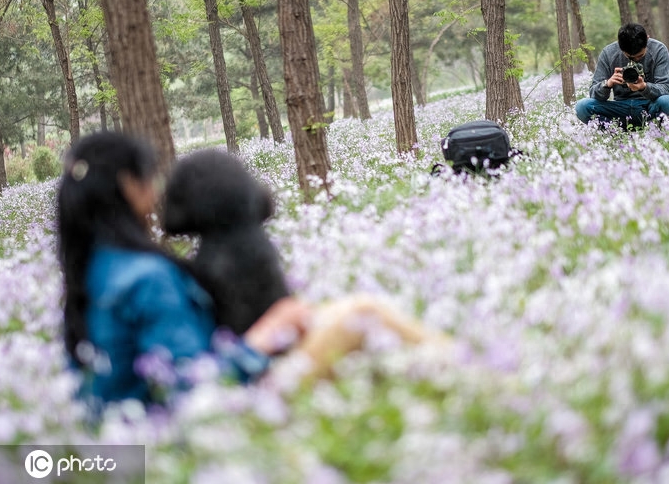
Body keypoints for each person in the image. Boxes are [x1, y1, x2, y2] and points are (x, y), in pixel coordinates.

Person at [57, 132, 445, 413]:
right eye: (149, 176)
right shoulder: (146, 276)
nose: (156, 189)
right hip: (201, 429)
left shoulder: (92, 270)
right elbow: (194, 392)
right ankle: (471, 377)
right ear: (128, 184)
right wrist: (261, 339)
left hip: (126, 443)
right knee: (362, 314)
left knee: (341, 326)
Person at [575, 23, 669, 128]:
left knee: (668, 102)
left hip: (650, 106)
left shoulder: (658, 50)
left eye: (640, 56)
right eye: (630, 57)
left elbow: (665, 89)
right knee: (582, 107)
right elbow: (593, 93)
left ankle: (655, 132)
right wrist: (607, 84)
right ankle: (614, 133)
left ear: (647, 38)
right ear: (620, 46)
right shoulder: (608, 53)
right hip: (621, 108)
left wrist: (644, 87)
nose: (635, 61)